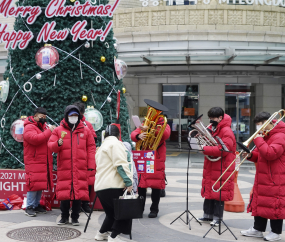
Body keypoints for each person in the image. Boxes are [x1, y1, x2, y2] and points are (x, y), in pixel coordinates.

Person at [241, 111, 285, 241]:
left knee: (275, 203)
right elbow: (261, 155)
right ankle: (258, 229)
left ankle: (276, 232)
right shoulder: (267, 135)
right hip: (264, 175)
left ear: (268, 122)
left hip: (275, 176)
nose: (258, 127)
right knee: (261, 202)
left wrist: (259, 139)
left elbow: (270, 154)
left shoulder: (280, 136)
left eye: (260, 124)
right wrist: (250, 155)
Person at [48, 105, 95, 226]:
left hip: (80, 167)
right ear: (66, 116)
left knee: (77, 194)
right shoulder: (58, 130)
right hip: (65, 167)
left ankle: (75, 217)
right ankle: (64, 217)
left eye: (75, 115)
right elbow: (51, 145)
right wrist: (58, 144)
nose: (73, 118)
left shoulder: (85, 130)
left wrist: (91, 165)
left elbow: (91, 148)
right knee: (65, 194)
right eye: (71, 116)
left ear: (79, 117)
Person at [197, 107, 236, 226]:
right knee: (209, 188)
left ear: (220, 118)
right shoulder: (212, 128)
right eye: (210, 118)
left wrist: (205, 148)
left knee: (219, 192)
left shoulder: (226, 131)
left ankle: (218, 218)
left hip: (222, 164)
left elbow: (224, 150)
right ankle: (207, 215)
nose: (211, 121)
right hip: (212, 163)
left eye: (213, 118)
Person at [94, 124, 133, 242]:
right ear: (118, 135)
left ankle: (100, 234)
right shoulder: (116, 144)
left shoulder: (102, 146)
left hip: (101, 186)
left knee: (111, 214)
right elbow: (120, 164)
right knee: (125, 212)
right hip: (113, 185)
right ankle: (113, 237)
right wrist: (128, 182)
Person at [131, 107, 170, 218]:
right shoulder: (145, 123)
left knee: (156, 186)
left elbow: (165, 134)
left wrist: (149, 129)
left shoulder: (163, 123)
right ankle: (140, 209)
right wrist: (138, 136)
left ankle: (154, 209)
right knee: (142, 186)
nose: (149, 114)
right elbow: (133, 133)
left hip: (156, 159)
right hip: (145, 157)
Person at [23, 107, 55, 217]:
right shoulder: (29, 127)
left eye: (45, 117)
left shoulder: (42, 127)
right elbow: (35, 139)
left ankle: (36, 205)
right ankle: (29, 206)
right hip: (33, 161)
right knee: (33, 184)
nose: (44, 119)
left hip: (43, 161)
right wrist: (49, 131)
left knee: (40, 184)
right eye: (42, 116)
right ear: (35, 116)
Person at [73, 102, 97, 213]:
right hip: (73, 158)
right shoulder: (68, 124)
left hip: (86, 158)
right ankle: (75, 204)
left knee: (88, 181)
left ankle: (86, 204)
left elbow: (94, 139)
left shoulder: (87, 124)